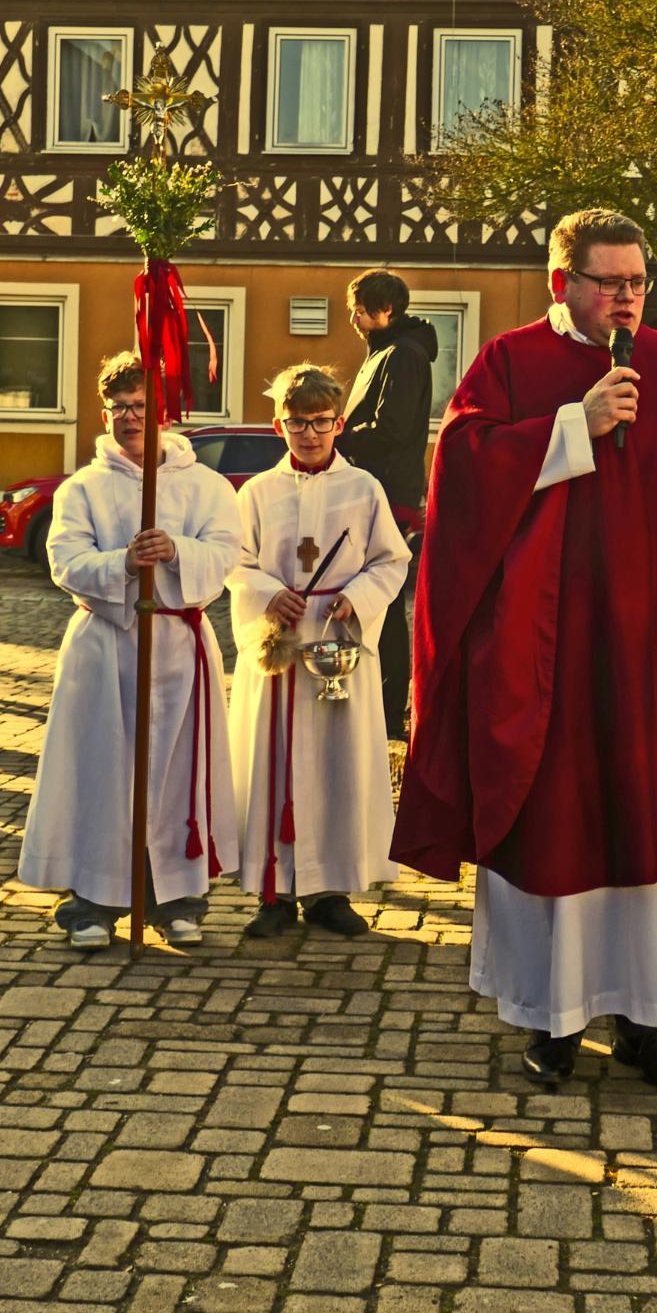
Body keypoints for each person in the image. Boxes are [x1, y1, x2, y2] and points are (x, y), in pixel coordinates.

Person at [391, 208, 657, 1091]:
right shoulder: (512, 364)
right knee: (555, 825)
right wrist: (572, 426)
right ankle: (548, 1020)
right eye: (611, 283)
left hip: (656, 652)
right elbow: (464, 472)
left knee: (653, 829)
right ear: (564, 283)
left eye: (639, 283)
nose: (628, 299)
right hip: (550, 651)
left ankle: (652, 1020)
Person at [17, 351, 242, 950]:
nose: (129, 417)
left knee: (175, 776)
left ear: (161, 411)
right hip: (105, 647)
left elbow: (225, 554)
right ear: (104, 411)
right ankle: (92, 901)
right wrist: (122, 562)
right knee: (101, 774)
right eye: (118, 407)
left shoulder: (205, 485)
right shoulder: (84, 487)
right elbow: (64, 560)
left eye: (141, 406)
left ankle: (179, 899)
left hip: (178, 643)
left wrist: (177, 553)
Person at [228, 363, 410, 939]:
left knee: (336, 768)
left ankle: (330, 891)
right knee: (273, 765)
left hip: (338, 649)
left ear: (338, 423)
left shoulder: (364, 490)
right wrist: (264, 593)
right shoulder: (257, 493)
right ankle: (273, 892)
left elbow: (392, 560)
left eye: (322, 421)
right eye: (297, 422)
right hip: (278, 649)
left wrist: (357, 597)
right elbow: (235, 561)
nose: (310, 433)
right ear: (277, 423)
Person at [335, 270, 436, 741]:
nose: (353, 319)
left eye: (360, 310)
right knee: (377, 602)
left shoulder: (403, 356)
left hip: (389, 492)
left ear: (386, 311)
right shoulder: (387, 352)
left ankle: (391, 708)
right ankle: (380, 699)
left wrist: (339, 438)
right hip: (379, 488)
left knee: (387, 603)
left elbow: (391, 429)